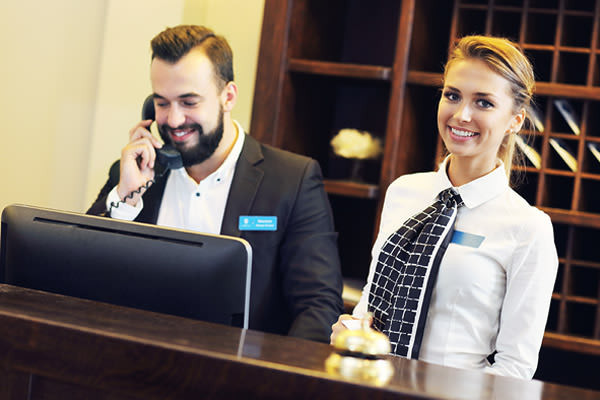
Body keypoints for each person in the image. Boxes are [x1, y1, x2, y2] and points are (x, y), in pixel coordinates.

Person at [87, 25, 344, 343]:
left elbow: (318, 308)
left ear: (228, 96)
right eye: (162, 103)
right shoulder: (132, 175)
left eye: (189, 102)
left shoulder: (293, 179)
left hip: (241, 367)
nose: (174, 120)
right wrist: (125, 200)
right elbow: (82, 276)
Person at [330, 35, 558, 379]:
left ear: (515, 121)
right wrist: (351, 330)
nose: (462, 115)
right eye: (452, 96)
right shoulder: (404, 192)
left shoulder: (528, 228)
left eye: (484, 103)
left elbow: (516, 366)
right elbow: (373, 299)